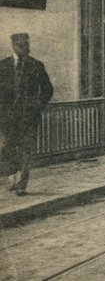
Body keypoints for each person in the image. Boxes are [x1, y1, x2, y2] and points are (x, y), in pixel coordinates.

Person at [0, 34, 54, 195]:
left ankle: (22, 184)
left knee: (26, 149)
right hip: (8, 118)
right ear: (14, 46)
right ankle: (12, 178)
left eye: (27, 45)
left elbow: (47, 89)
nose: (26, 48)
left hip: (29, 117)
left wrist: (37, 106)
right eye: (22, 45)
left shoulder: (36, 65)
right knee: (8, 147)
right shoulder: (3, 66)